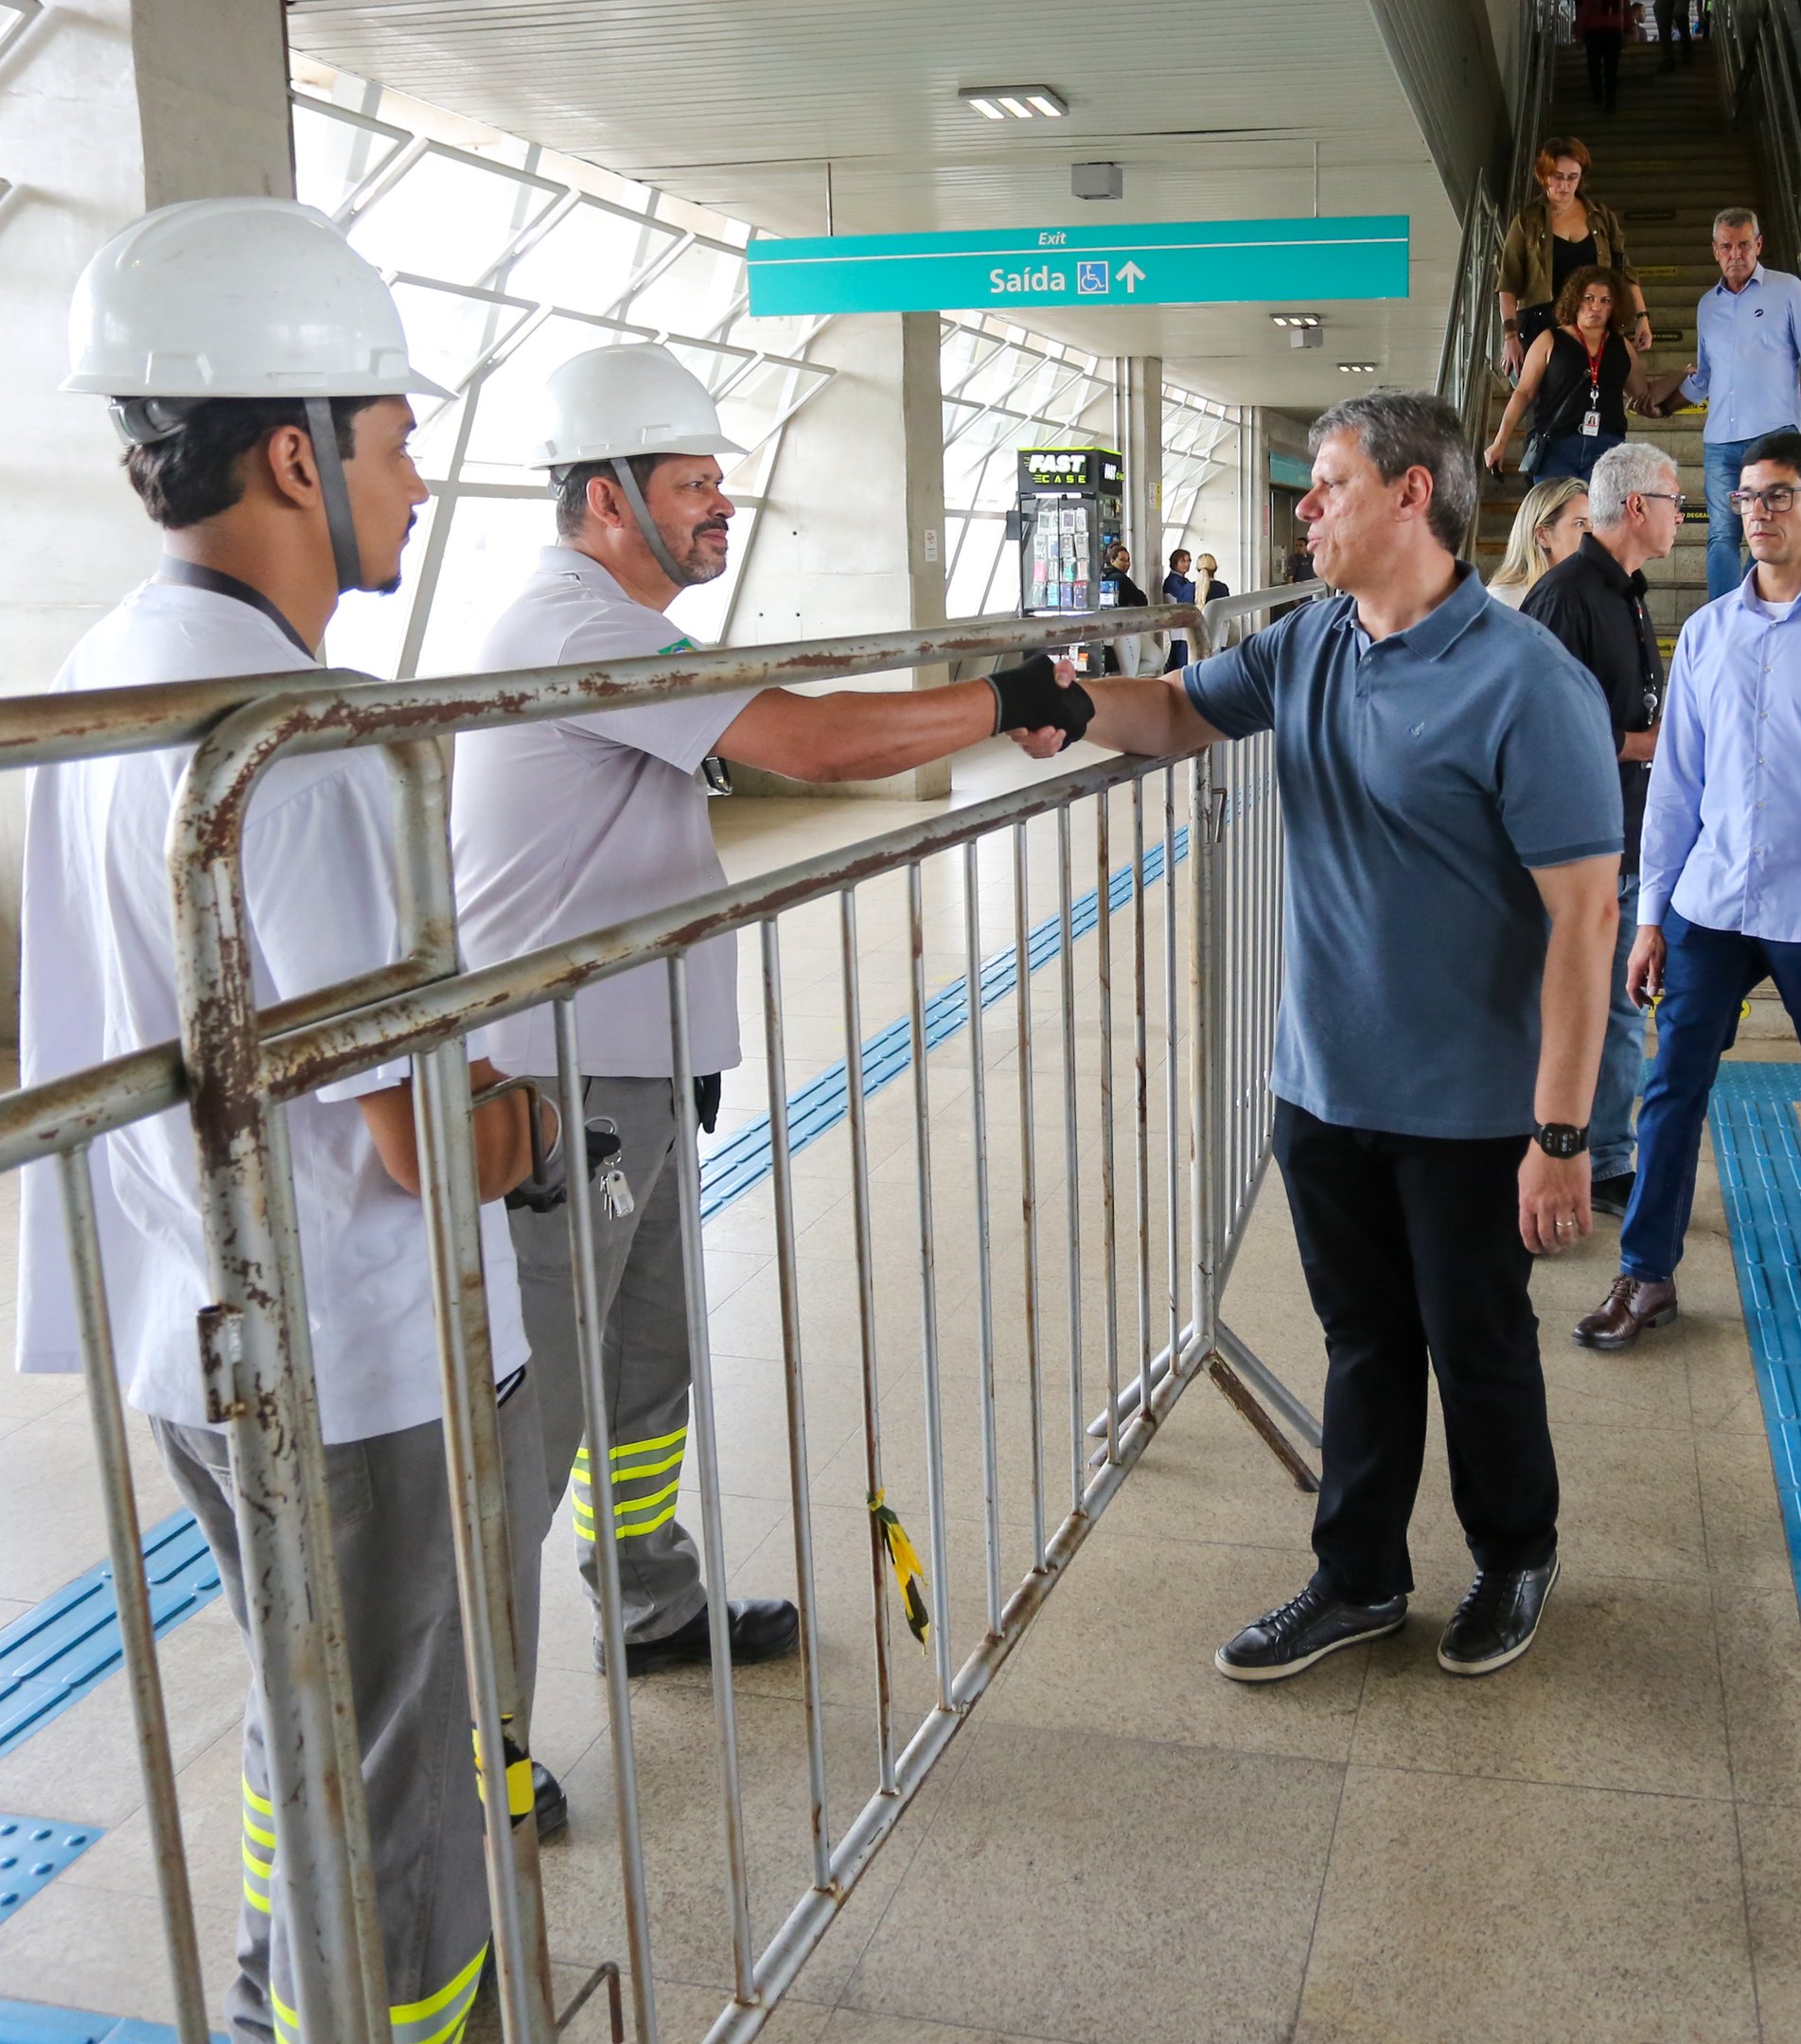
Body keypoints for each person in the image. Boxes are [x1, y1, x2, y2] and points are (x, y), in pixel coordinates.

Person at [26, 196, 553, 2044]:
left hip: (204, 1336)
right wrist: (529, 1131)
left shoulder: (101, 666)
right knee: (403, 1789)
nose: (412, 490)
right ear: (290, 454)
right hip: (359, 1355)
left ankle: (272, 2003)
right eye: (394, 447)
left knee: (298, 1708)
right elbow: (415, 1138)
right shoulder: (301, 733)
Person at [456, 341, 1079, 1684]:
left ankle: (651, 1605)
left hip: (636, 1068)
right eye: (691, 482)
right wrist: (1008, 696)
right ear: (607, 497)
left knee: (644, 1366)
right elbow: (813, 742)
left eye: (720, 480)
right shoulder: (580, 629)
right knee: (536, 1406)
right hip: (567, 1086)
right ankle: (474, 1731)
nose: (719, 505)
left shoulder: (625, 629)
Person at [1068, 391, 1625, 1683]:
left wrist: (1559, 1134)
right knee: (1364, 1340)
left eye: (1327, 483)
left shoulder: (1528, 683)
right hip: (1323, 1083)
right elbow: (1169, 713)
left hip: (1475, 1106)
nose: (1304, 508)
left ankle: (1514, 1553)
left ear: (1413, 496)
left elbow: (1586, 922)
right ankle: (1360, 1573)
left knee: (1477, 1344)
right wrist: (1045, 698)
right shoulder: (1307, 644)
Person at [1576, 431, 1801, 1348]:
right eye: (1745, 499)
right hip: (1712, 906)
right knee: (1671, 1088)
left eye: (1779, 496)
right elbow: (1678, 786)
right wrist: (1652, 915)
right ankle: (1645, 1274)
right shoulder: (1706, 634)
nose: (1759, 513)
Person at [1522, 442, 1683, 1214]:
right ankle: (1582, 1151)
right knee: (1595, 1006)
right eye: (1676, 500)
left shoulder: (1628, 592)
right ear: (1639, 508)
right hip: (1577, 845)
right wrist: (1641, 743)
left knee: (1621, 1007)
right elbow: (1537, 726)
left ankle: (1608, 1150)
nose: (1684, 514)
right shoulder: (1567, 597)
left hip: (1624, 832)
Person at [1646, 210, 1801, 602]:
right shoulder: (1707, 306)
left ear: (1758, 244)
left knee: (1770, 525)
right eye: (1726, 246)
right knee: (1722, 534)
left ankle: (1752, 604)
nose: (1735, 254)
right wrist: (1665, 407)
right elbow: (1706, 376)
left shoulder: (1787, 289)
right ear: (1715, 251)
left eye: (1743, 244)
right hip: (1721, 440)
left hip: (1774, 438)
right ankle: (1725, 618)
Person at [1496, 137, 1648, 378]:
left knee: (1595, 397)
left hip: (1592, 322)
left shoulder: (1600, 217)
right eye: (1557, 176)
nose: (1564, 185)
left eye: (1572, 177)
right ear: (1544, 175)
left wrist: (1642, 316)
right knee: (1542, 402)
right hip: (1541, 322)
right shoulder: (1528, 219)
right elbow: (1508, 282)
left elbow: (1622, 268)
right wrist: (1510, 336)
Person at [1485, 267, 1638, 482]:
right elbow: (1523, 393)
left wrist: (1686, 380)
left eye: (1606, 300)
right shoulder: (1549, 339)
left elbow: (1643, 393)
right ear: (1575, 300)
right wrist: (1500, 441)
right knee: (1557, 512)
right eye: (1589, 298)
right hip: (1556, 446)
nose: (1596, 306)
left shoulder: (1622, 346)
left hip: (1607, 447)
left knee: (1600, 514)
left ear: (1615, 306)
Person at [1486, 476, 1589, 607]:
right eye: (1580, 523)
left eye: (1594, 524)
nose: (1593, 534)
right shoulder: (1500, 602)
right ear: (1543, 536)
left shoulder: (1585, 596)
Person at [1576, 0, 1631, 113]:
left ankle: (1600, 96)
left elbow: (1585, 11)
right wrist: (1627, 31)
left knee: (1597, 65)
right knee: (1609, 68)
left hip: (1596, 31)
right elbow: (1626, 11)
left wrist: (1580, 34)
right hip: (1610, 31)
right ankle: (1609, 101)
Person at [1161, 545, 1198, 670]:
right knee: (1180, 661)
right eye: (1183, 561)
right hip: (1177, 629)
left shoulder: (1183, 581)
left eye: (1188, 561)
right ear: (1174, 562)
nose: (1186, 564)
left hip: (1182, 627)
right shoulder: (1173, 582)